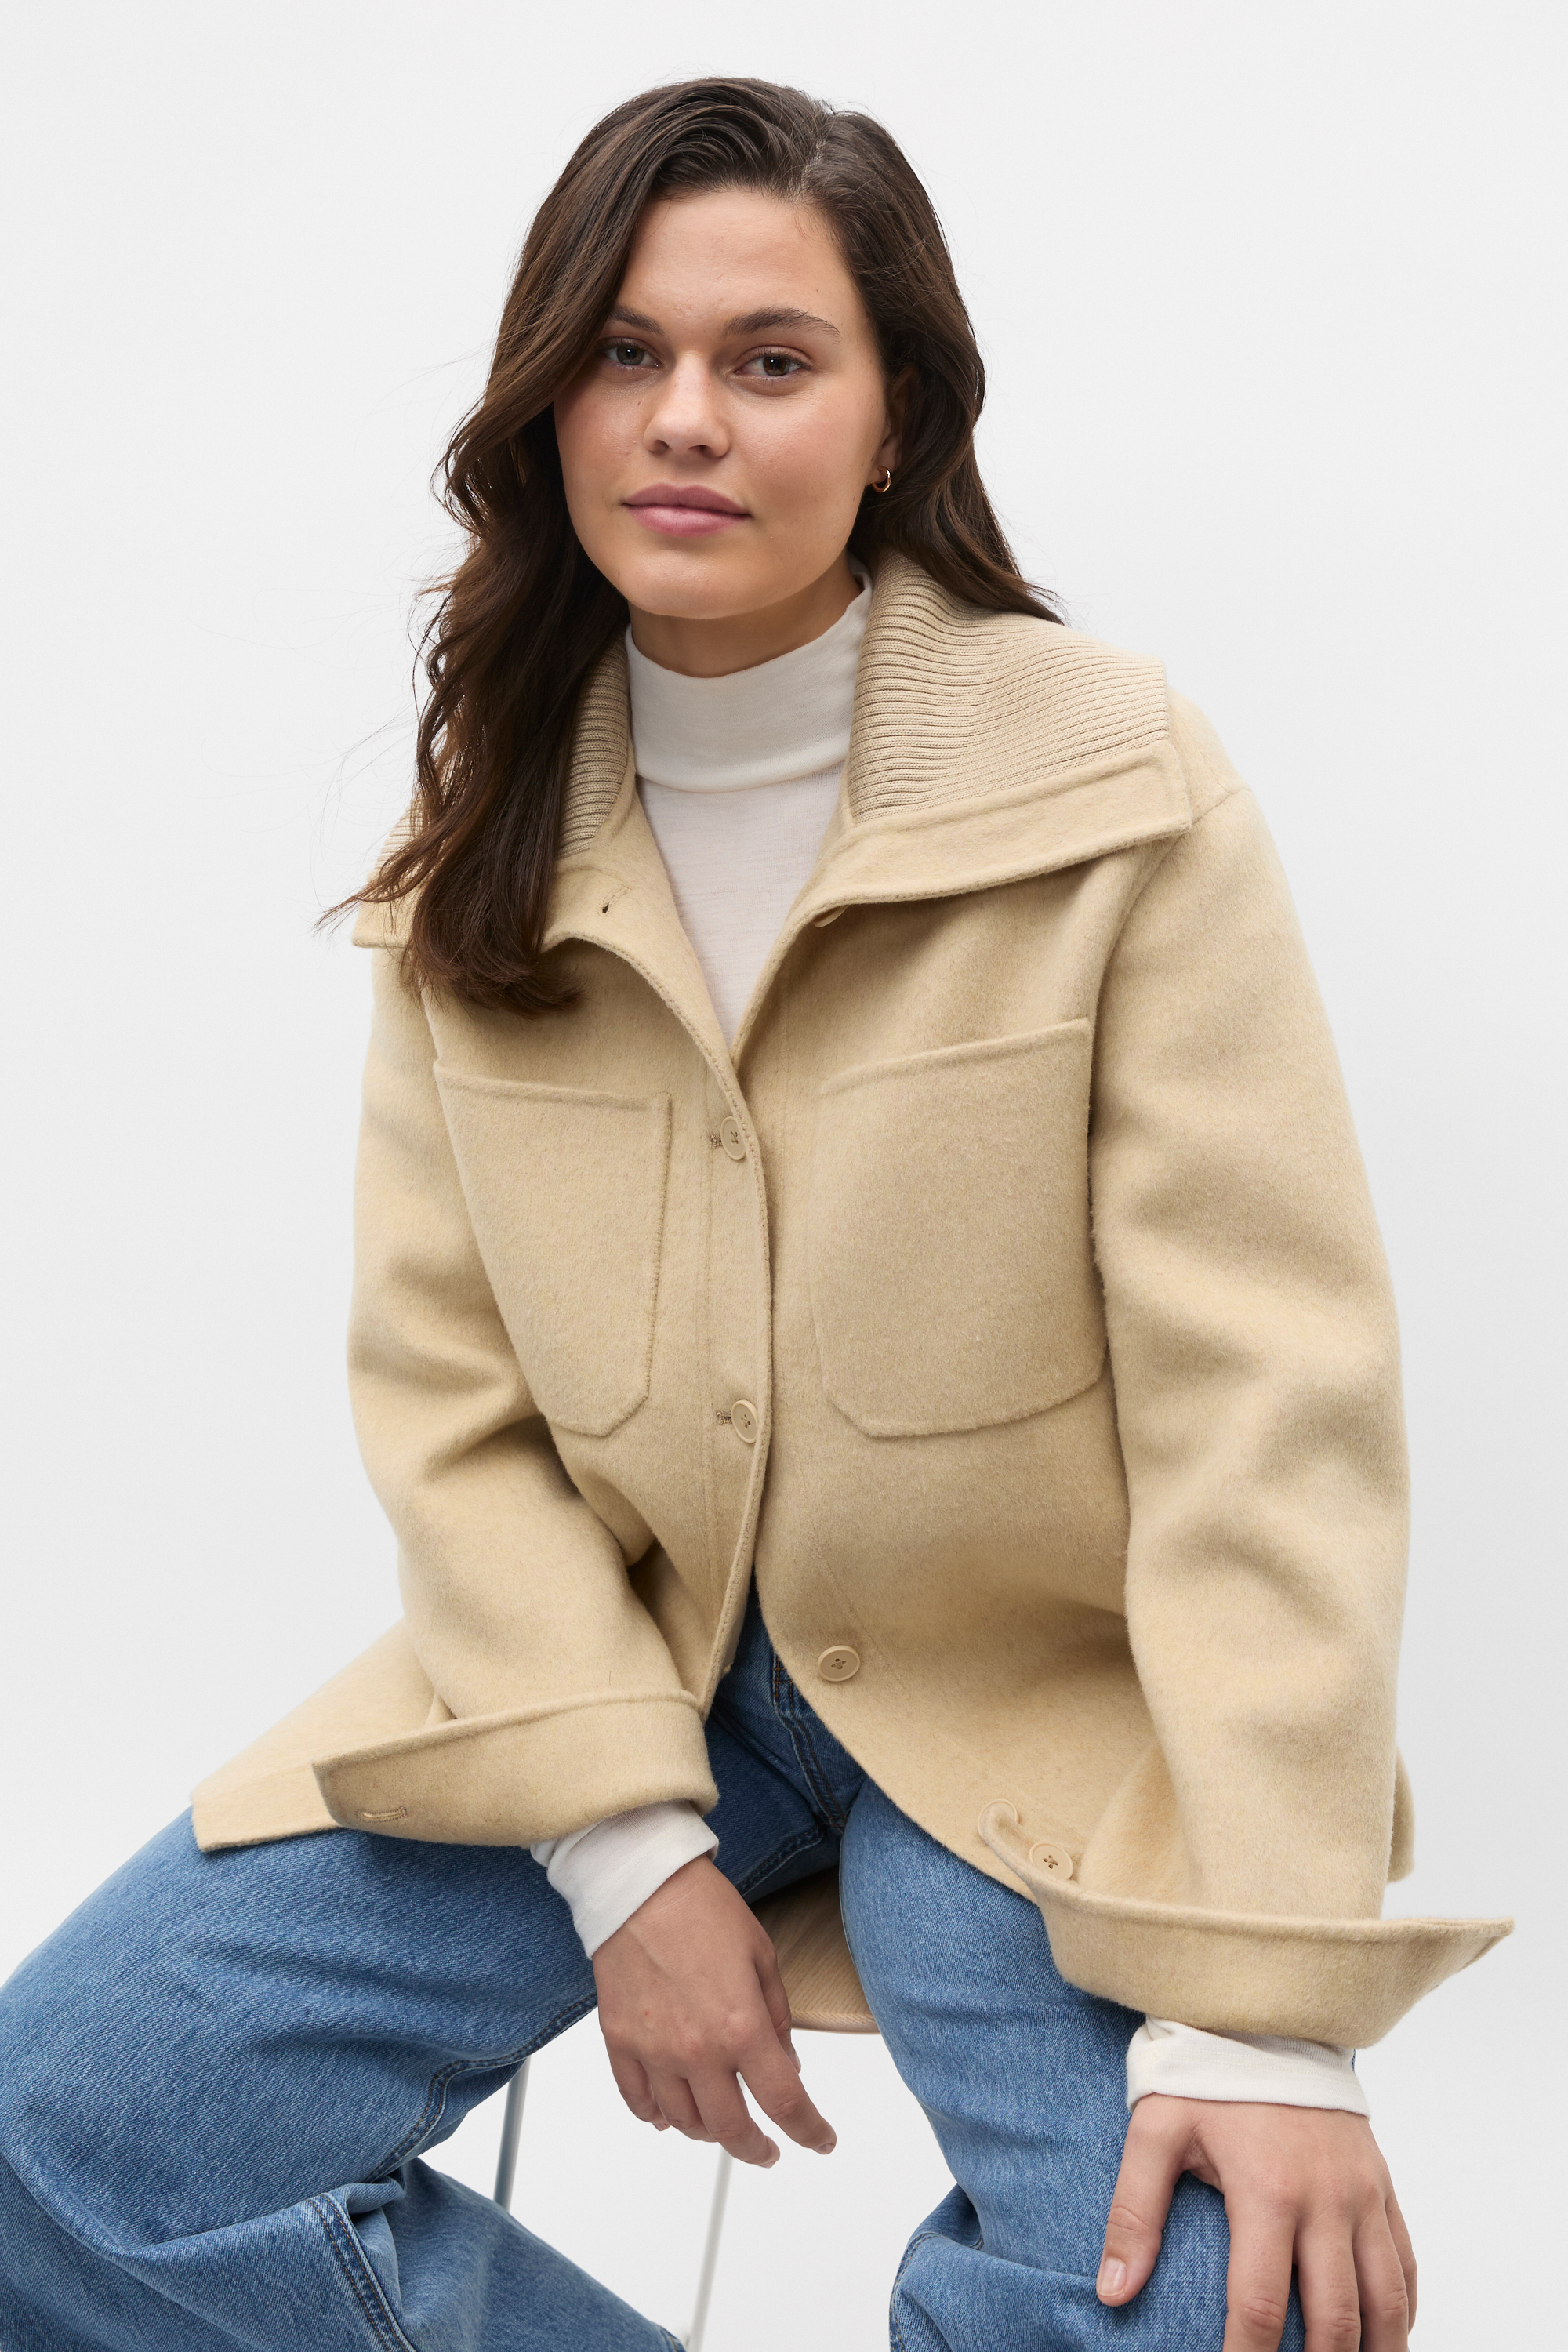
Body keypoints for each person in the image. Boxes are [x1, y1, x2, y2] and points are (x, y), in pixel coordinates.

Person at [0, 77, 1508, 2352]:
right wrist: (623, 1848)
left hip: (1032, 1693)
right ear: (552, 407)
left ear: (897, 419)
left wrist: (1265, 2011)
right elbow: (454, 1410)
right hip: (604, 1671)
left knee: (1232, 2306)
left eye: (771, 359)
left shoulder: (1112, 787)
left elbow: (1267, 1415)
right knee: (60, 2141)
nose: (685, 416)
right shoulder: (483, 836)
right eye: (625, 352)